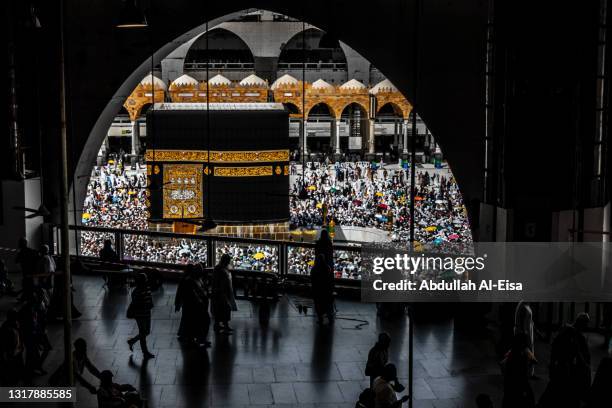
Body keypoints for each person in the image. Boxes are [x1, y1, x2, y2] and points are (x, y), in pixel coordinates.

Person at [538, 313, 591, 408]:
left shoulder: (568, 332)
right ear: (581, 324)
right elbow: (577, 352)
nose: (585, 327)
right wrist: (584, 365)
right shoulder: (574, 334)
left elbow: (555, 347)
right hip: (564, 368)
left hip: (562, 366)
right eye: (585, 324)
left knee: (554, 392)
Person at [175, 264, 210, 346]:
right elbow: (192, 293)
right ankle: (197, 338)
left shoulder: (192, 279)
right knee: (197, 322)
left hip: (194, 305)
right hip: (194, 305)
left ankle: (193, 337)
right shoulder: (190, 280)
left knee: (191, 321)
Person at [500, 333, 536, 408]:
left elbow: (502, 364)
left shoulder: (512, 352)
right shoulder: (522, 354)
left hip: (510, 383)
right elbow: (534, 361)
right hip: (520, 382)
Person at [127, 273, 155, 359]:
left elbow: (149, 299)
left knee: (146, 332)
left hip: (146, 313)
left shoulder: (142, 289)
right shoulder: (138, 291)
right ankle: (145, 352)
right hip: (141, 315)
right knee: (143, 333)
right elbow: (138, 303)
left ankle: (132, 341)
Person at [211, 254, 237, 334]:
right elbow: (218, 282)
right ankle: (222, 325)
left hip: (222, 292)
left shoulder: (219, 268)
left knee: (223, 309)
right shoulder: (221, 269)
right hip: (221, 292)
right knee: (223, 309)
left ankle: (221, 325)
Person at [0, 309, 24, 385]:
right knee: (11, 372)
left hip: (16, 352)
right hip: (11, 354)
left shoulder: (14, 324)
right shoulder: (6, 328)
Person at [310, 254, 334, 324]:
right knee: (327, 305)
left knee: (318, 305)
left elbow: (312, 279)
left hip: (317, 289)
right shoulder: (327, 268)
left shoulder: (314, 268)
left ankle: (321, 319)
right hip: (326, 289)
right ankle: (330, 319)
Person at [514, 301, 535, 376]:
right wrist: (524, 335)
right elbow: (522, 323)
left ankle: (529, 372)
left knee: (527, 352)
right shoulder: (523, 306)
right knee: (524, 353)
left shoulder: (526, 305)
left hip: (527, 333)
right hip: (523, 333)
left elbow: (529, 320)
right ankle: (525, 373)